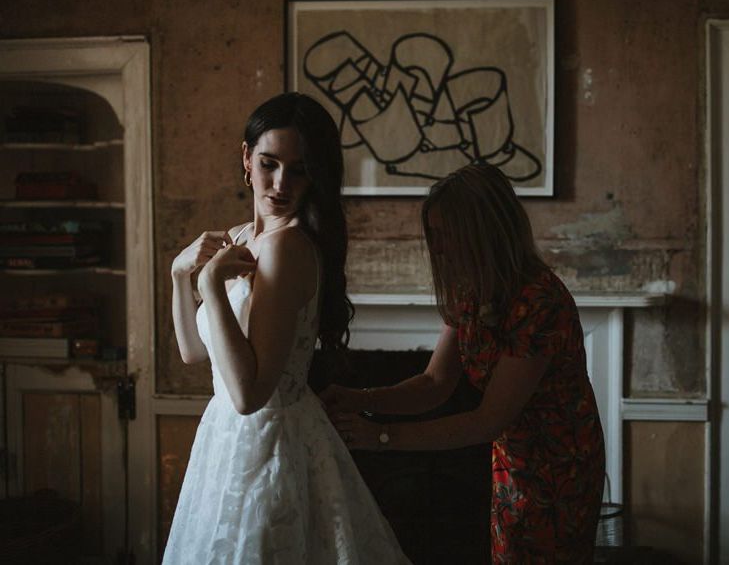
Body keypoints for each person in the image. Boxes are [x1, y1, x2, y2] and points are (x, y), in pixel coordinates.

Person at [163, 92, 410, 564]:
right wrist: (179, 275)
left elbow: (249, 396)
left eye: (298, 170)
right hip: (224, 439)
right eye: (268, 164)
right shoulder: (241, 237)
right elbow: (194, 352)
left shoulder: (286, 248)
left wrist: (211, 284)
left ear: (316, 175)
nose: (280, 184)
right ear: (246, 158)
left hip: (268, 445)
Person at [322, 162, 606, 564]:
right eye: (433, 235)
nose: (437, 248)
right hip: (512, 460)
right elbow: (433, 383)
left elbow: (488, 420)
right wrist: (357, 398)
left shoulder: (539, 302)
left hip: (559, 467)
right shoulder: (471, 292)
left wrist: (381, 436)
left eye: (447, 235)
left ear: (484, 232)